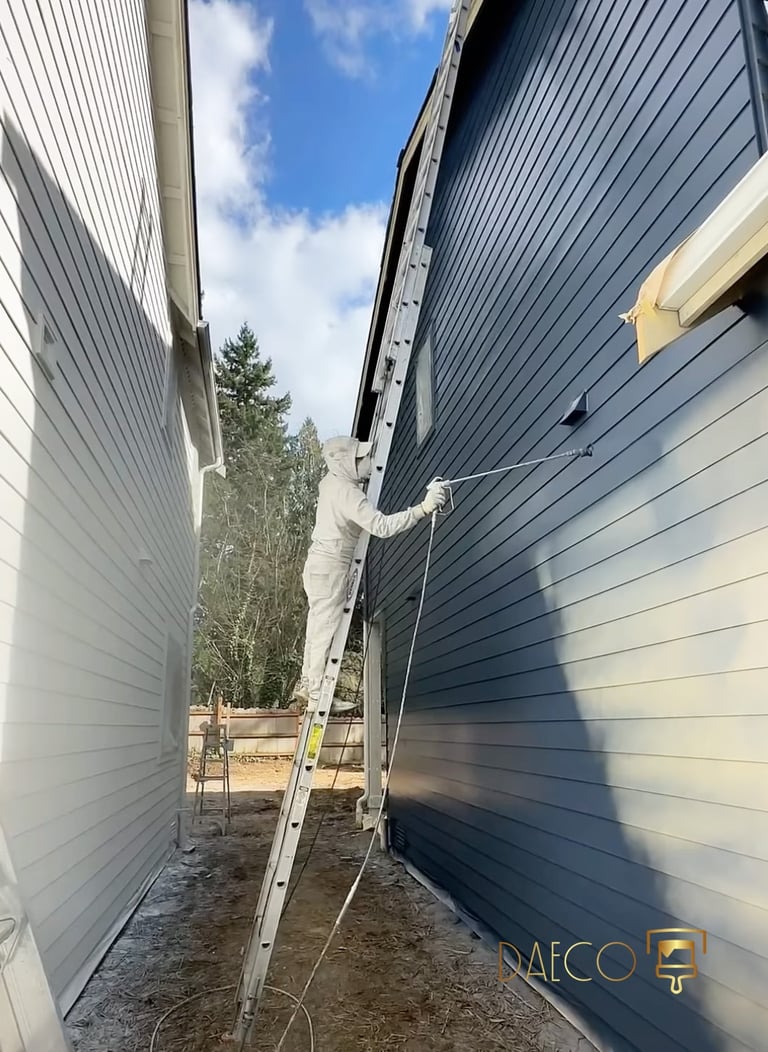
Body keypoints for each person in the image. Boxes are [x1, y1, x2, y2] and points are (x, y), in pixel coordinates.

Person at [292, 435, 448, 713]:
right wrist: (423, 508)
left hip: (319, 563)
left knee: (317, 626)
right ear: (347, 463)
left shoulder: (329, 483)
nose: (369, 465)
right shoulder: (347, 493)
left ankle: (308, 683)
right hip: (331, 565)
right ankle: (316, 695)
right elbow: (382, 526)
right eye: (362, 459)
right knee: (325, 628)